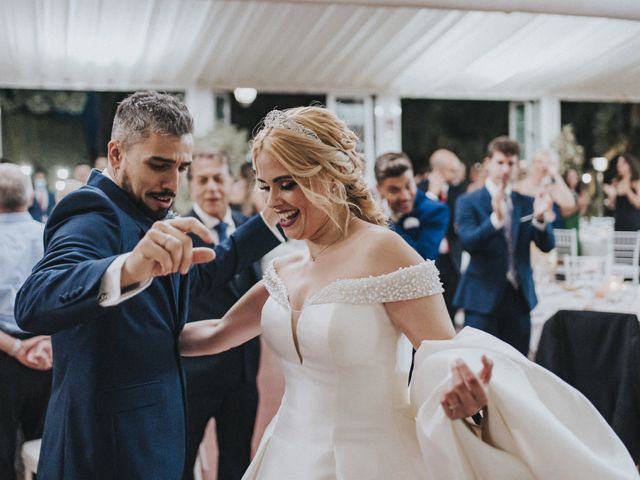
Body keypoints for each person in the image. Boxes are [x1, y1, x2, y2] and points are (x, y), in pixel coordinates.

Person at [180, 108, 637, 479]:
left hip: (369, 461)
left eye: (288, 183)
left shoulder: (382, 249)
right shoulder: (284, 266)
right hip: (284, 456)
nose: (273, 202)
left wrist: (472, 405)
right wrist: (125, 325)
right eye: (265, 186)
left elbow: (444, 357)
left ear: (334, 174)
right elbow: (217, 333)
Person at [14, 91, 282, 479]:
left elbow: (197, 273)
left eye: (181, 167)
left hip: (151, 432)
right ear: (117, 154)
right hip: (105, 449)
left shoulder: (145, 207)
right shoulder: (92, 212)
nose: (172, 182)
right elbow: (34, 302)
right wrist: (127, 268)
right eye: (159, 165)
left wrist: (270, 218)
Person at [182, 147, 262, 480]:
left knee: (237, 462)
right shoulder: (178, 233)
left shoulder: (250, 229)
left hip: (244, 373)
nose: (212, 187)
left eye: (218, 178)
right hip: (195, 374)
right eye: (203, 180)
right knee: (181, 462)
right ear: (191, 186)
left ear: (230, 182)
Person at [453, 137, 555, 356]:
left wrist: (540, 219)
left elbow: (547, 245)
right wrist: (495, 221)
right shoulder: (468, 201)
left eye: (511, 163)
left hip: (519, 299)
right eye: (500, 162)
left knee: (518, 367)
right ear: (488, 163)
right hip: (481, 301)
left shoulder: (526, 202)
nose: (505, 169)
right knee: (478, 367)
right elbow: (468, 242)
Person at [0, 164, 52, 480]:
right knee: (46, 448)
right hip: (48, 354)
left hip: (4, 355)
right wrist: (48, 342)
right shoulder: (49, 236)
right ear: (31, 195)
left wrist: (16, 347)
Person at [375, 152, 449, 261]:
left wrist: (387, 221)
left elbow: (422, 260)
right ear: (379, 189)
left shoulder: (436, 211)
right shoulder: (370, 215)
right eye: (394, 190)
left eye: (408, 185)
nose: (405, 196)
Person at [420, 149, 466, 320]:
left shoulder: (457, 193)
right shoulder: (420, 191)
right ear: (439, 170)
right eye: (452, 170)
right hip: (428, 260)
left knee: (450, 310)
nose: (456, 174)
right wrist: (432, 196)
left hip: (451, 260)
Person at [514, 149, 575, 228]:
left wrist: (556, 175)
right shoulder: (519, 186)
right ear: (532, 163)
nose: (542, 166)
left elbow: (570, 203)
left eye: (548, 163)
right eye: (539, 161)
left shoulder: (550, 188)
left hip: (544, 233)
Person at [604, 154, 640, 231]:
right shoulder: (615, 182)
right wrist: (611, 195)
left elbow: (638, 203)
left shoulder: (636, 182)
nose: (618, 166)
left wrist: (628, 191)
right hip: (619, 223)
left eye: (620, 164)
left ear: (628, 165)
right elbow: (611, 206)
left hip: (633, 224)